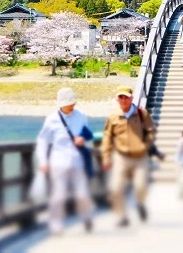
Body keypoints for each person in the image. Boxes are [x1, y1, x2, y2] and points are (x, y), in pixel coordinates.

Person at [36, 87, 95, 235]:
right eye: (69, 103)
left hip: (77, 160)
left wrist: (83, 139)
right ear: (61, 104)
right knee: (59, 195)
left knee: (82, 193)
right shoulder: (52, 119)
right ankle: (56, 224)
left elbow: (87, 133)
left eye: (73, 102)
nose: (72, 105)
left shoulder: (81, 115)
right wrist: (43, 161)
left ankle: (86, 217)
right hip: (59, 162)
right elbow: (43, 141)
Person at [101, 85, 156, 228]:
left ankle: (140, 203)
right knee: (115, 188)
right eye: (121, 97)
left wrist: (146, 144)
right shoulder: (113, 116)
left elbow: (151, 131)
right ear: (117, 99)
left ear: (131, 98)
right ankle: (122, 216)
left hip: (140, 156)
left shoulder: (141, 113)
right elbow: (107, 136)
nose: (124, 100)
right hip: (121, 156)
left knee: (141, 186)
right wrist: (106, 156)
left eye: (126, 97)